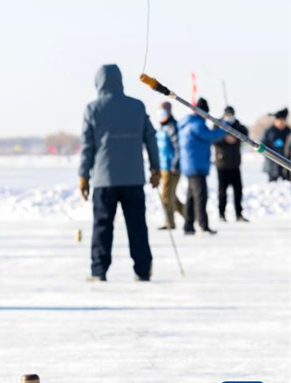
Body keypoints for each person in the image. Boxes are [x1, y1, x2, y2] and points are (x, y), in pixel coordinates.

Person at [78, 64, 159, 282]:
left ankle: (98, 270)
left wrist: (83, 176)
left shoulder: (93, 109)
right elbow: (151, 139)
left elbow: (87, 147)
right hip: (133, 179)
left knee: (102, 226)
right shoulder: (137, 106)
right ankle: (142, 269)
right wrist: (155, 169)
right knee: (137, 225)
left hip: (104, 180)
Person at [178, 98, 226, 236]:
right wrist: (225, 126)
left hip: (190, 165)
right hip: (196, 166)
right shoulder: (197, 125)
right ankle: (203, 226)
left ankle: (188, 226)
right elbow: (211, 136)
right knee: (200, 196)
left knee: (191, 197)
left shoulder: (187, 122)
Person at [214, 106, 249, 222]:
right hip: (222, 164)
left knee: (238, 190)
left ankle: (239, 214)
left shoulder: (237, 125)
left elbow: (245, 134)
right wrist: (225, 138)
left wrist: (234, 133)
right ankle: (221, 214)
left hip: (235, 164)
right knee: (222, 191)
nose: (229, 118)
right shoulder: (218, 124)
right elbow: (213, 138)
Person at [155, 102, 184, 230]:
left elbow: (178, 147)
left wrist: (175, 164)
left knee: (166, 196)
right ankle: (190, 216)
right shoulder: (162, 127)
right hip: (163, 166)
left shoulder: (172, 127)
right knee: (171, 195)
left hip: (171, 167)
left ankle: (169, 222)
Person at [262, 108, 290, 182]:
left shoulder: (288, 132)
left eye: (283, 121)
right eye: (279, 121)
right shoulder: (269, 131)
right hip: (272, 165)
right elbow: (263, 146)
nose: (281, 123)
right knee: (272, 185)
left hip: (286, 164)